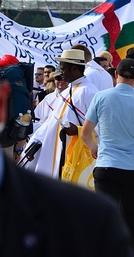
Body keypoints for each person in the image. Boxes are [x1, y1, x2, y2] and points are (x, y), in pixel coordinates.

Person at [0, 38, 134, 257]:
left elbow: (89, 131)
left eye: (64, 67)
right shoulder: (131, 102)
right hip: (125, 166)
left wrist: (92, 148)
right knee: (130, 216)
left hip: (99, 165)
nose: (61, 72)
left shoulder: (83, 221)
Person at [81, 58, 134, 255]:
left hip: (106, 165)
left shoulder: (101, 97)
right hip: (133, 167)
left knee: (105, 217)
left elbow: (85, 133)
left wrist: (93, 147)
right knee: (131, 218)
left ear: (116, 74)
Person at [24, 49, 99, 179]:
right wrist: (34, 145)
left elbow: (99, 129)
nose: (60, 72)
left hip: (76, 157)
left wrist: (77, 130)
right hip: (55, 154)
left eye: (63, 68)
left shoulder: (90, 92)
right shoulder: (66, 92)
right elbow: (49, 124)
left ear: (74, 69)